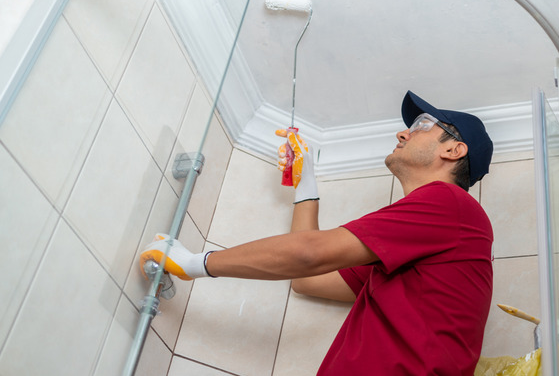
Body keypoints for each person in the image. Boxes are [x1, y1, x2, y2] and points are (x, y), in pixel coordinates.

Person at [141, 90, 495, 375]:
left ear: (453, 149)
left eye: (421, 124)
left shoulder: (449, 204)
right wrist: (305, 185)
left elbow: (309, 254)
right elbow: (308, 280)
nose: (403, 132)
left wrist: (195, 263)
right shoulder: (417, 245)